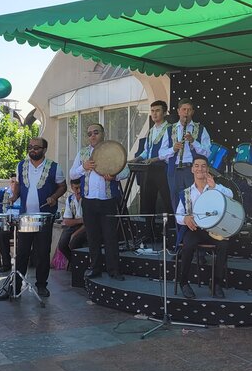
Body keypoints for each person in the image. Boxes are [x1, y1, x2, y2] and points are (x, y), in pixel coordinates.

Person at [70, 122, 130, 281]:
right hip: (89, 201)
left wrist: (115, 176)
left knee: (110, 236)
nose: (92, 136)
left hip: (108, 201)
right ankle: (95, 267)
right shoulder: (83, 153)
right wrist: (84, 167)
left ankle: (114, 270)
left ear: (103, 134)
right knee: (92, 237)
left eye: (96, 132)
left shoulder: (112, 149)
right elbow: (72, 174)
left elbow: (126, 171)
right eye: (89, 134)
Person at [7, 138, 66, 298]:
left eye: (36, 147)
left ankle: (41, 285)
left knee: (42, 252)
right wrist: (14, 196)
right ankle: (16, 286)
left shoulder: (54, 167)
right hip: (25, 217)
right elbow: (19, 185)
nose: (32, 150)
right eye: (30, 147)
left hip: (44, 217)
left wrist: (54, 197)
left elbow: (62, 186)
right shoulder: (21, 165)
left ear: (44, 149)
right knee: (22, 252)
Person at [174, 155, 232, 299]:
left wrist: (215, 187)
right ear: (192, 169)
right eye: (197, 165)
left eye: (203, 166)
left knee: (224, 244)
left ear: (207, 169)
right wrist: (185, 219)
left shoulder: (215, 187)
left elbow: (230, 195)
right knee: (188, 245)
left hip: (213, 229)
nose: (200, 168)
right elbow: (178, 215)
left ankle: (216, 283)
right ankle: (184, 282)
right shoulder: (186, 193)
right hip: (195, 229)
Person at [159, 99, 211, 208]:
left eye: (189, 110)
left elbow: (207, 153)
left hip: (192, 171)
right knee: (176, 202)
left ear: (192, 112)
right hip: (174, 170)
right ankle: (180, 225)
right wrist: (173, 149)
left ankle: (195, 224)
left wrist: (194, 142)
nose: (186, 112)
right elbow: (161, 154)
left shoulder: (201, 129)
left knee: (195, 201)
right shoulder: (170, 130)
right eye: (184, 109)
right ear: (178, 111)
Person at [137, 100, 172, 247]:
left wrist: (154, 159)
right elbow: (147, 150)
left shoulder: (170, 129)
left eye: (157, 110)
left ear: (164, 112)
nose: (154, 114)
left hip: (163, 168)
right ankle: (148, 234)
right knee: (148, 201)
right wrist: (138, 158)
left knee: (168, 202)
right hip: (150, 169)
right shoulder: (151, 130)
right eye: (152, 111)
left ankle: (171, 235)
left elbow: (169, 151)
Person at [55, 178, 86, 268]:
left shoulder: (87, 198)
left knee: (74, 241)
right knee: (62, 245)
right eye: (76, 188)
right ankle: (74, 263)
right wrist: (81, 220)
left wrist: (76, 232)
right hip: (74, 224)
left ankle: (80, 265)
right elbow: (67, 221)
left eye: (80, 187)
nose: (79, 191)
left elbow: (88, 221)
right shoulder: (70, 199)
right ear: (72, 187)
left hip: (87, 226)